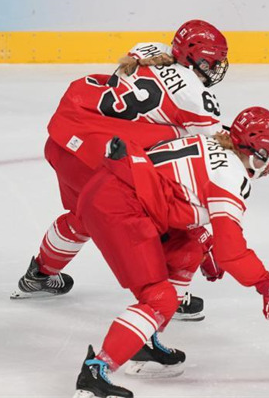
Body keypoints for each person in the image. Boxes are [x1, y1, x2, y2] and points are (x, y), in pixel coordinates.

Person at [72, 107, 269, 398]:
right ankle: (96, 370)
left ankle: (142, 341)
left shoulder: (216, 140)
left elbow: (180, 191)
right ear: (254, 152)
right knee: (160, 298)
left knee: (187, 249)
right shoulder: (230, 177)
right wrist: (266, 283)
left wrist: (203, 239)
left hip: (122, 192)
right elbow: (230, 252)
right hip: (118, 207)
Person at [13, 19, 230, 320]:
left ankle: (39, 275)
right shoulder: (196, 97)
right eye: (213, 61)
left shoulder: (149, 49)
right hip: (101, 162)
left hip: (66, 140)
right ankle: (170, 297)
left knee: (83, 216)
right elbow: (216, 150)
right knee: (166, 224)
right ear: (197, 58)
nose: (217, 68)